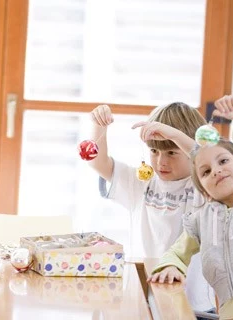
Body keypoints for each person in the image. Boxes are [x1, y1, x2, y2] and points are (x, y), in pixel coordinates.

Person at [90, 102, 215, 314]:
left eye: (172, 152)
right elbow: (97, 163)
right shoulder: (141, 181)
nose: (160, 162)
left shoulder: (205, 187)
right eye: (154, 151)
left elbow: (208, 160)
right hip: (141, 303)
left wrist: (175, 135)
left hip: (193, 307)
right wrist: (98, 126)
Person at [148, 139, 233, 319]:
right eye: (206, 172)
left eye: (223, 161)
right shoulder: (202, 220)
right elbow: (175, 253)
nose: (216, 171)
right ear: (205, 193)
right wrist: (171, 267)